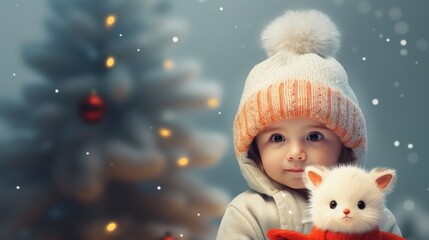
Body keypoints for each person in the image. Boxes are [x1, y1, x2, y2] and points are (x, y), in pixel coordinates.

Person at [216, 10, 402, 240]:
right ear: (254, 148)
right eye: (277, 138)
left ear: (345, 145)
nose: (296, 153)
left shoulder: (374, 214)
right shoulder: (247, 213)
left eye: (314, 136)